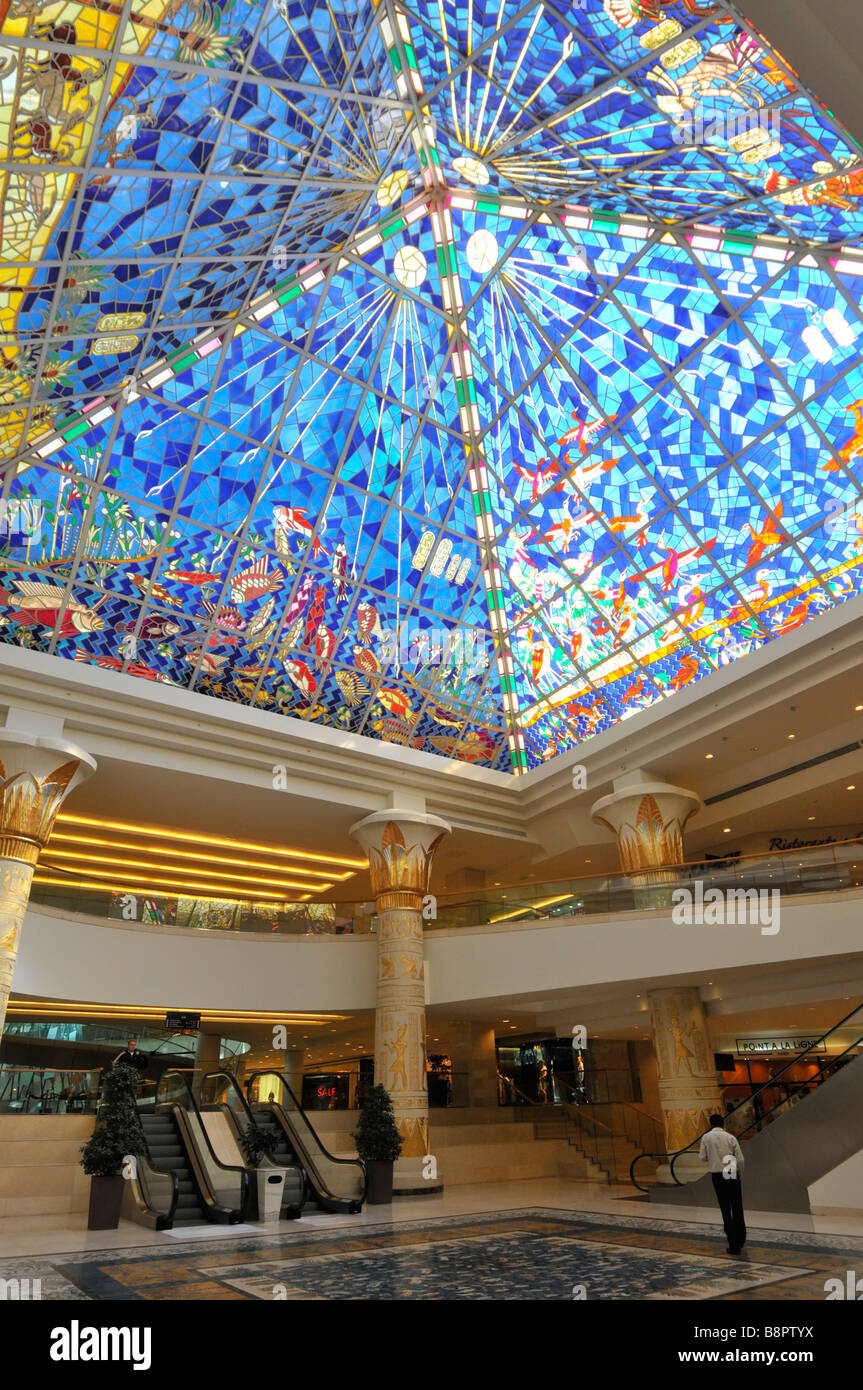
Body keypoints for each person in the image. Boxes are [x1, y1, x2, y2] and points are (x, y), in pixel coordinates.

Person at [699, 1113, 746, 1255]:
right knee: (737, 1206)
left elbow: (702, 1157)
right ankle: (741, 1239)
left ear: (710, 1124)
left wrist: (713, 1157)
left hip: (718, 1174)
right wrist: (739, 1174)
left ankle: (733, 1244)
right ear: (723, 1124)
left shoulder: (706, 1138)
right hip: (731, 1170)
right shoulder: (730, 1137)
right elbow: (741, 1159)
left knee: (725, 1208)